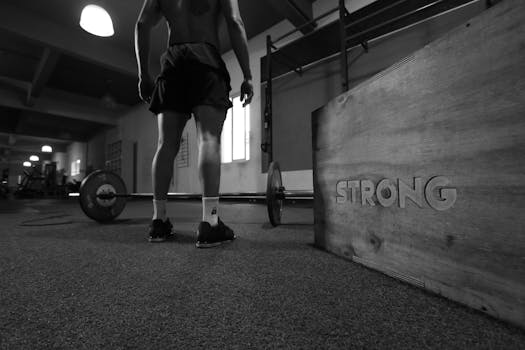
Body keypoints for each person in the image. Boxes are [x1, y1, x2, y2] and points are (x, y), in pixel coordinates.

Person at [135, 0, 253, 247]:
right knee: (209, 139)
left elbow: (142, 24)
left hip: (173, 62)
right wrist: (248, 75)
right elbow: (234, 21)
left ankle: (159, 221)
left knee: (165, 144)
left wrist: (143, 75)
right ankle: (209, 223)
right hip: (206, 59)